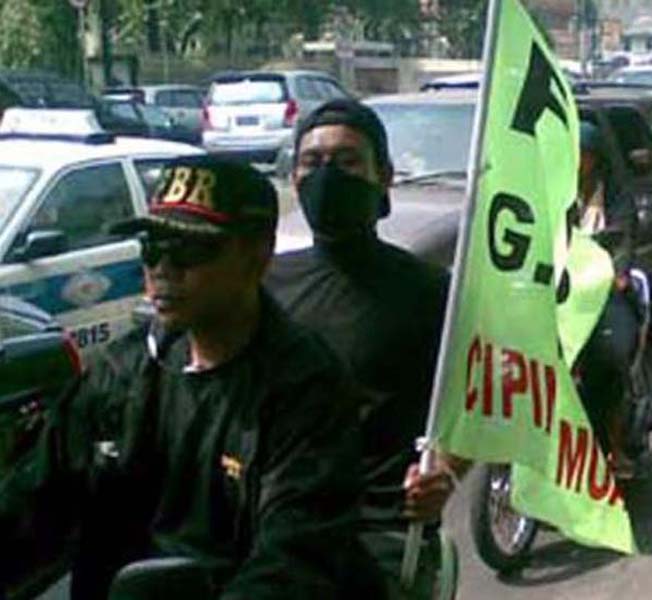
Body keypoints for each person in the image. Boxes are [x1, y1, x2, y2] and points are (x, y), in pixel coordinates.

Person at [0, 156, 385, 599]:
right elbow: (35, 499)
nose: (163, 268)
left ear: (256, 256)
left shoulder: (304, 389)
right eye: (152, 247)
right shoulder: (121, 372)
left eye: (190, 249)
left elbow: (296, 558)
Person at [265, 99, 466, 596]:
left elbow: (478, 400)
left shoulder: (428, 290)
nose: (327, 174)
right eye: (312, 163)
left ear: (384, 177)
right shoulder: (263, 286)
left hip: (384, 538)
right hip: (275, 534)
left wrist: (447, 473)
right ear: (294, 179)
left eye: (348, 161)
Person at [575, 121, 643, 477]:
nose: (576, 162)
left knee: (608, 359)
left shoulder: (617, 198)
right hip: (561, 297)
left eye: (583, 155)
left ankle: (613, 448)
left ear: (596, 160)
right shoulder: (555, 197)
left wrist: (619, 272)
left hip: (604, 295)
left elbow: (624, 239)